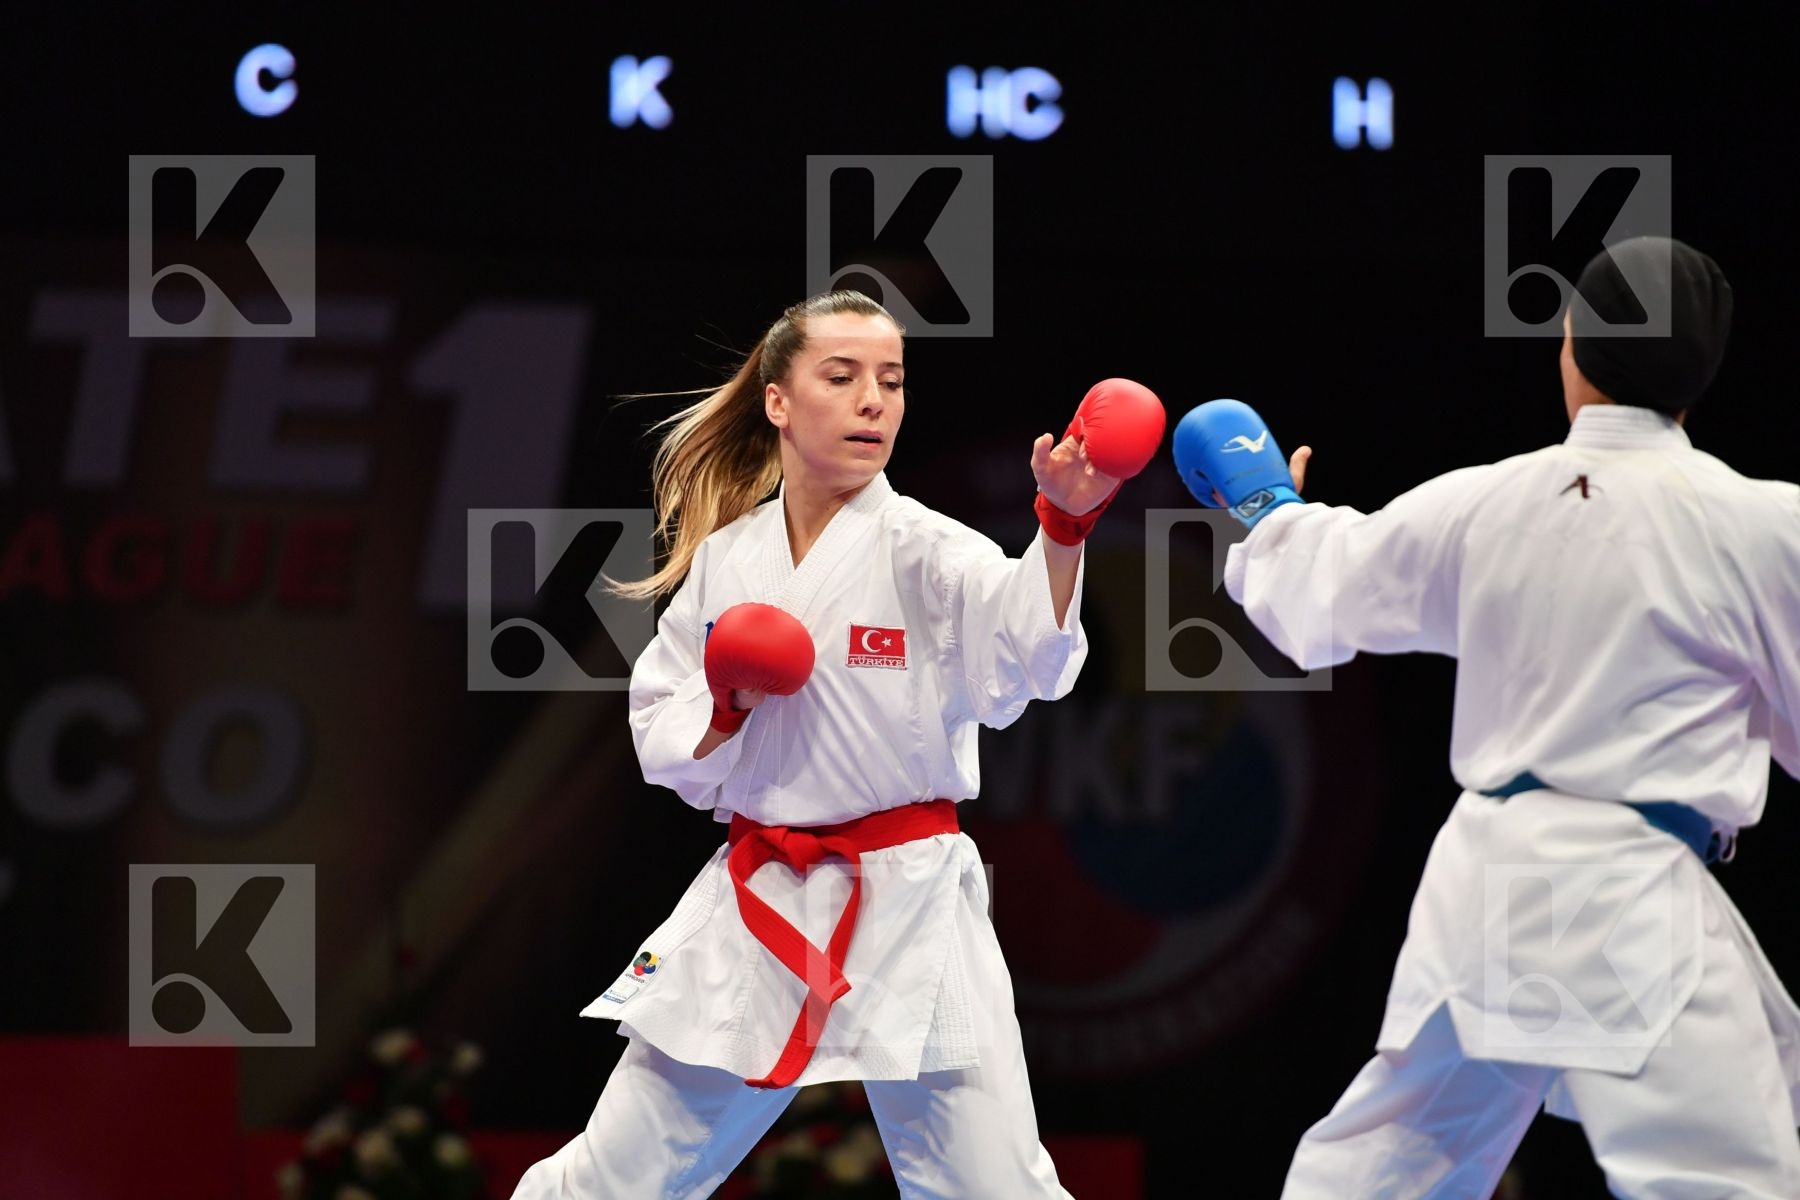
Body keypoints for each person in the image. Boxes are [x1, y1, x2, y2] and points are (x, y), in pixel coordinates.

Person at [1184, 237, 1800, 1197]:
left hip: (1487, 881)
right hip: (1619, 892)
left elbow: (1328, 583)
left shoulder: (1490, 500)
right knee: (1720, 1178)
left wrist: (1265, 507)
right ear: (1702, 376)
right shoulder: (1760, 526)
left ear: (1571, 347)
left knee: (1387, 1168)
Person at [511, 290, 1162, 1198]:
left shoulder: (930, 549)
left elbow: (1032, 665)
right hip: (761, 893)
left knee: (995, 1187)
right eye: (843, 376)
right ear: (779, 400)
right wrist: (727, 708)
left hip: (911, 900)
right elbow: (660, 733)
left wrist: (1063, 527)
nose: (874, 402)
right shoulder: (728, 558)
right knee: (615, 1177)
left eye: (891, 382)